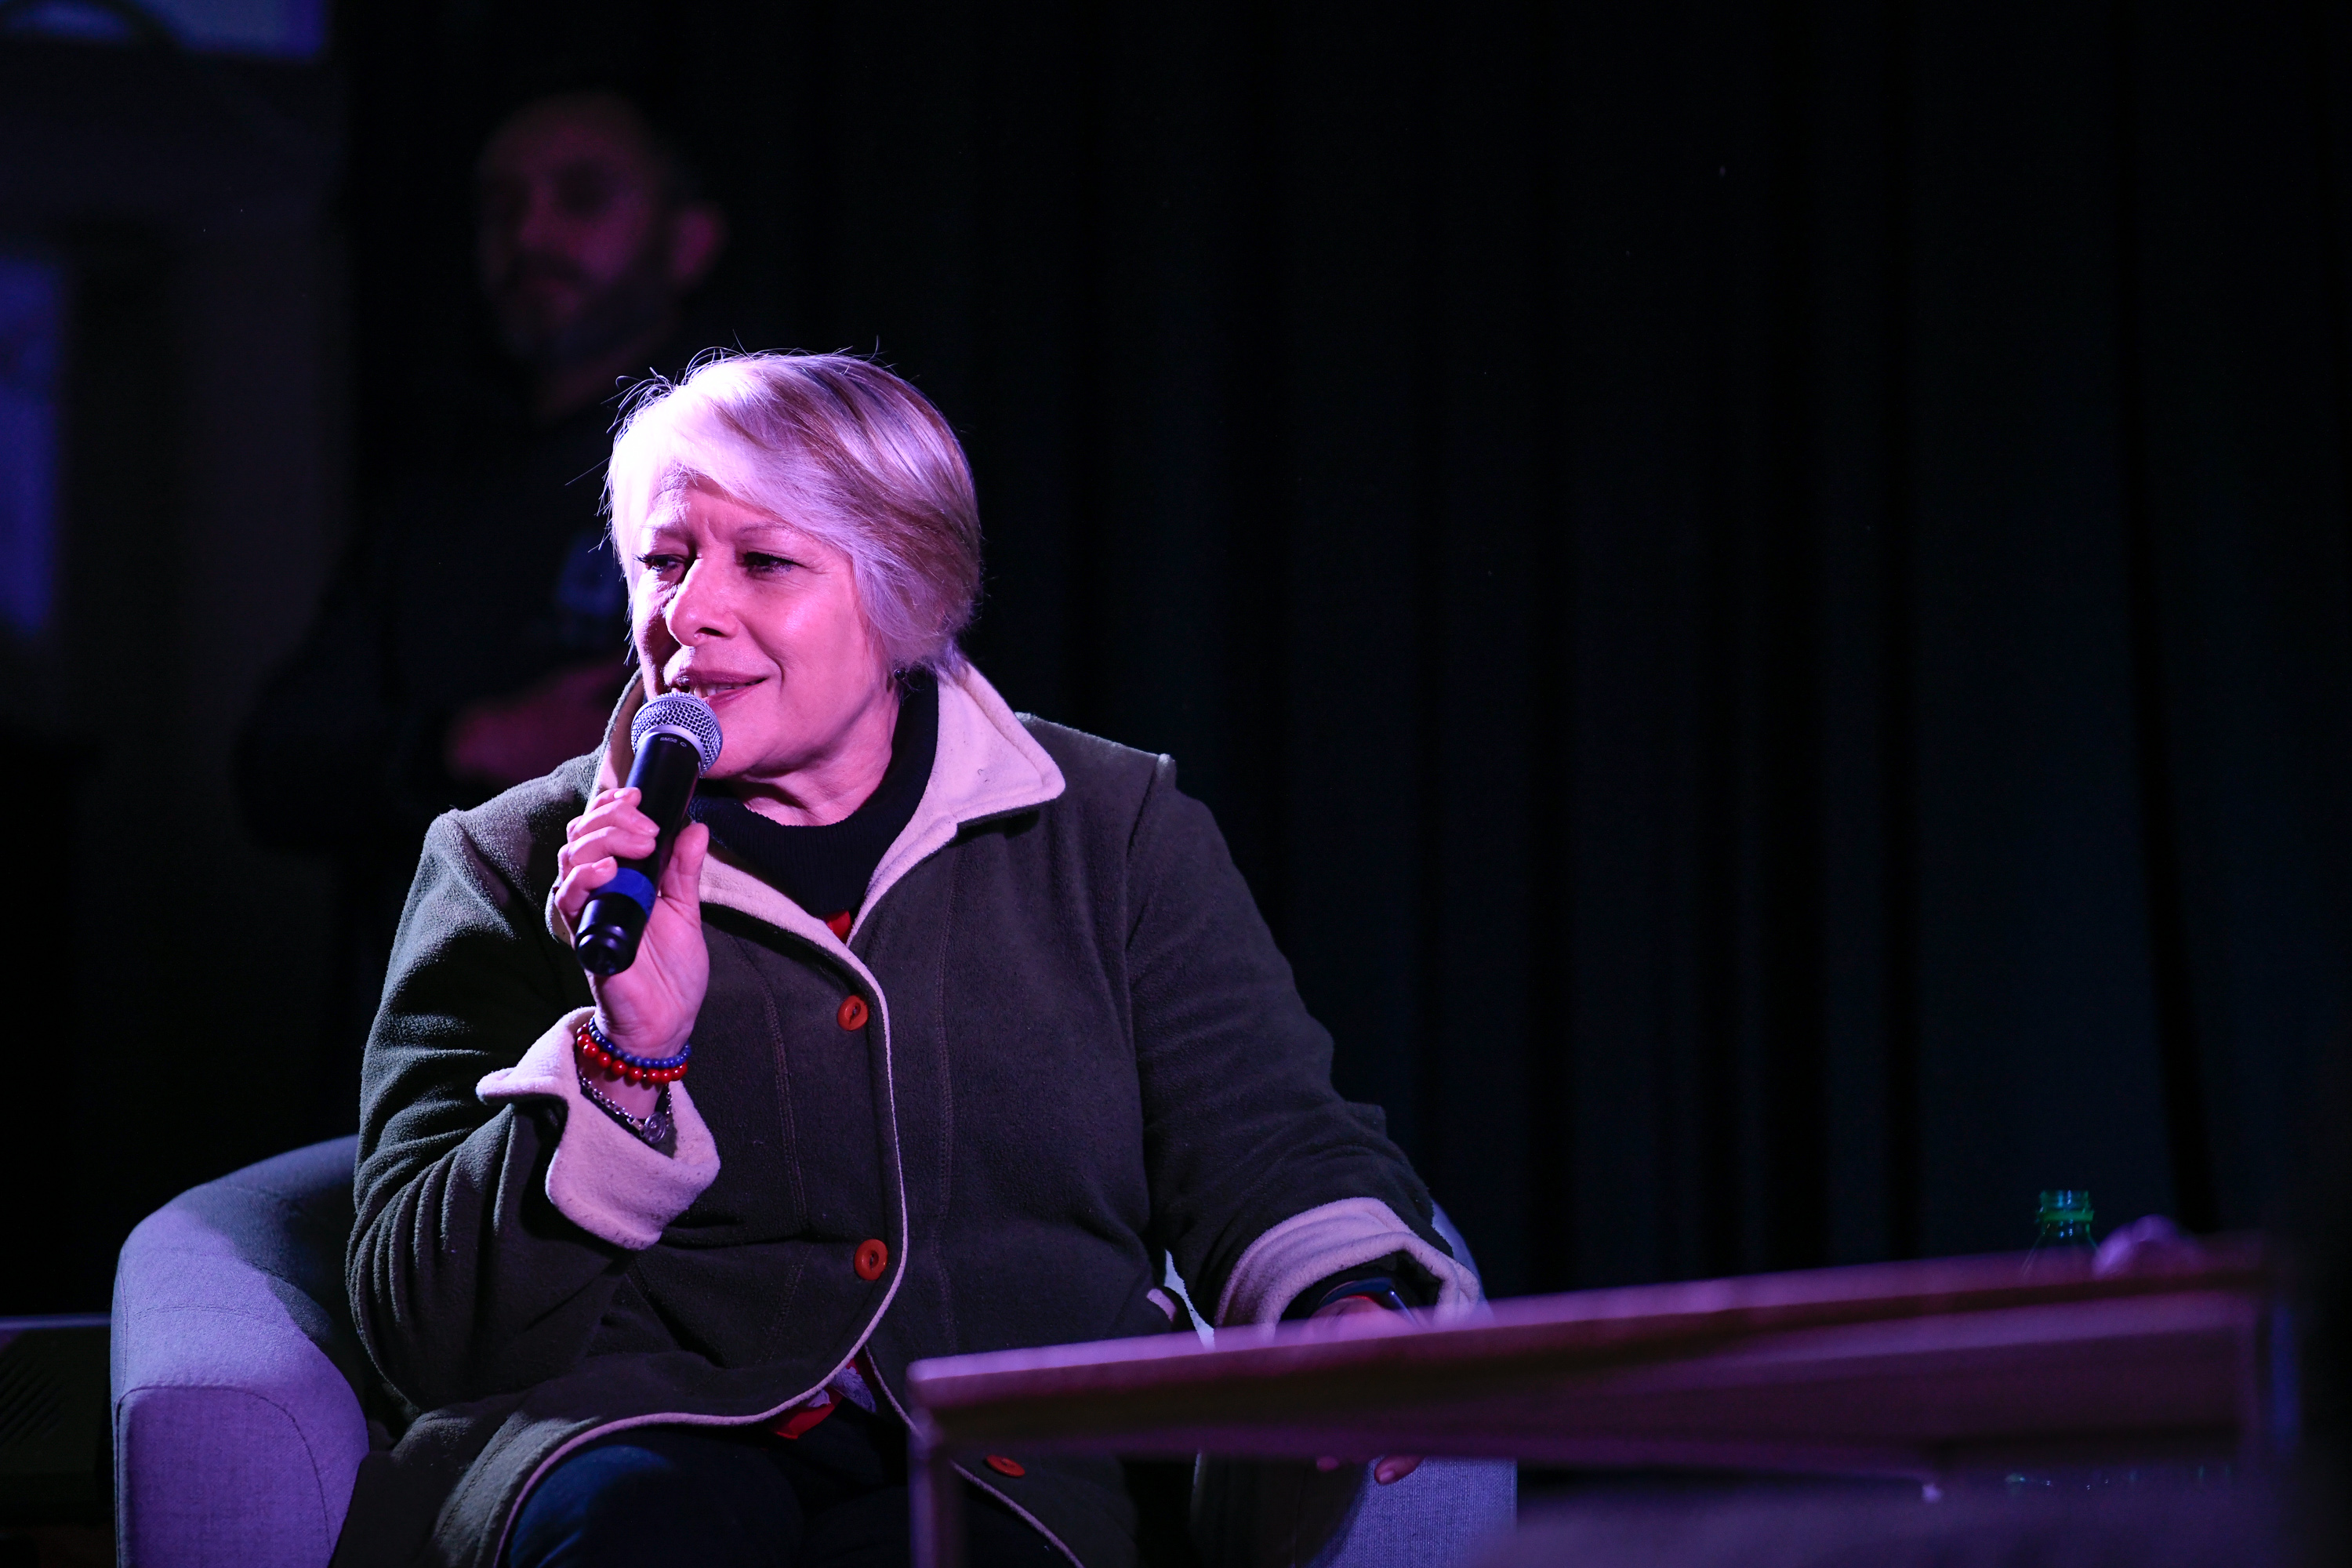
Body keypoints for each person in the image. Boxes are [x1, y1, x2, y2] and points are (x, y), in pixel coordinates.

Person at [331, 353, 1479, 1568]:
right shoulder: (513, 860)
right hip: (627, 1434)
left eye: (764, 562)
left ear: (906, 595)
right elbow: (418, 1328)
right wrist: (627, 1061)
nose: (687, 614)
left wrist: (1343, 1303)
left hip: (1015, 1454)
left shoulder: (1108, 824)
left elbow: (1264, 1136)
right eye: (665, 562)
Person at [235, 88, 728, 1130]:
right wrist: (474, 741)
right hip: (427, 1066)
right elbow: (275, 762)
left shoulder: (745, 484)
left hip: (665, 1064)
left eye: (582, 197)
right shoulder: (435, 501)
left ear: (687, 243)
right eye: (503, 207)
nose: (533, 234)